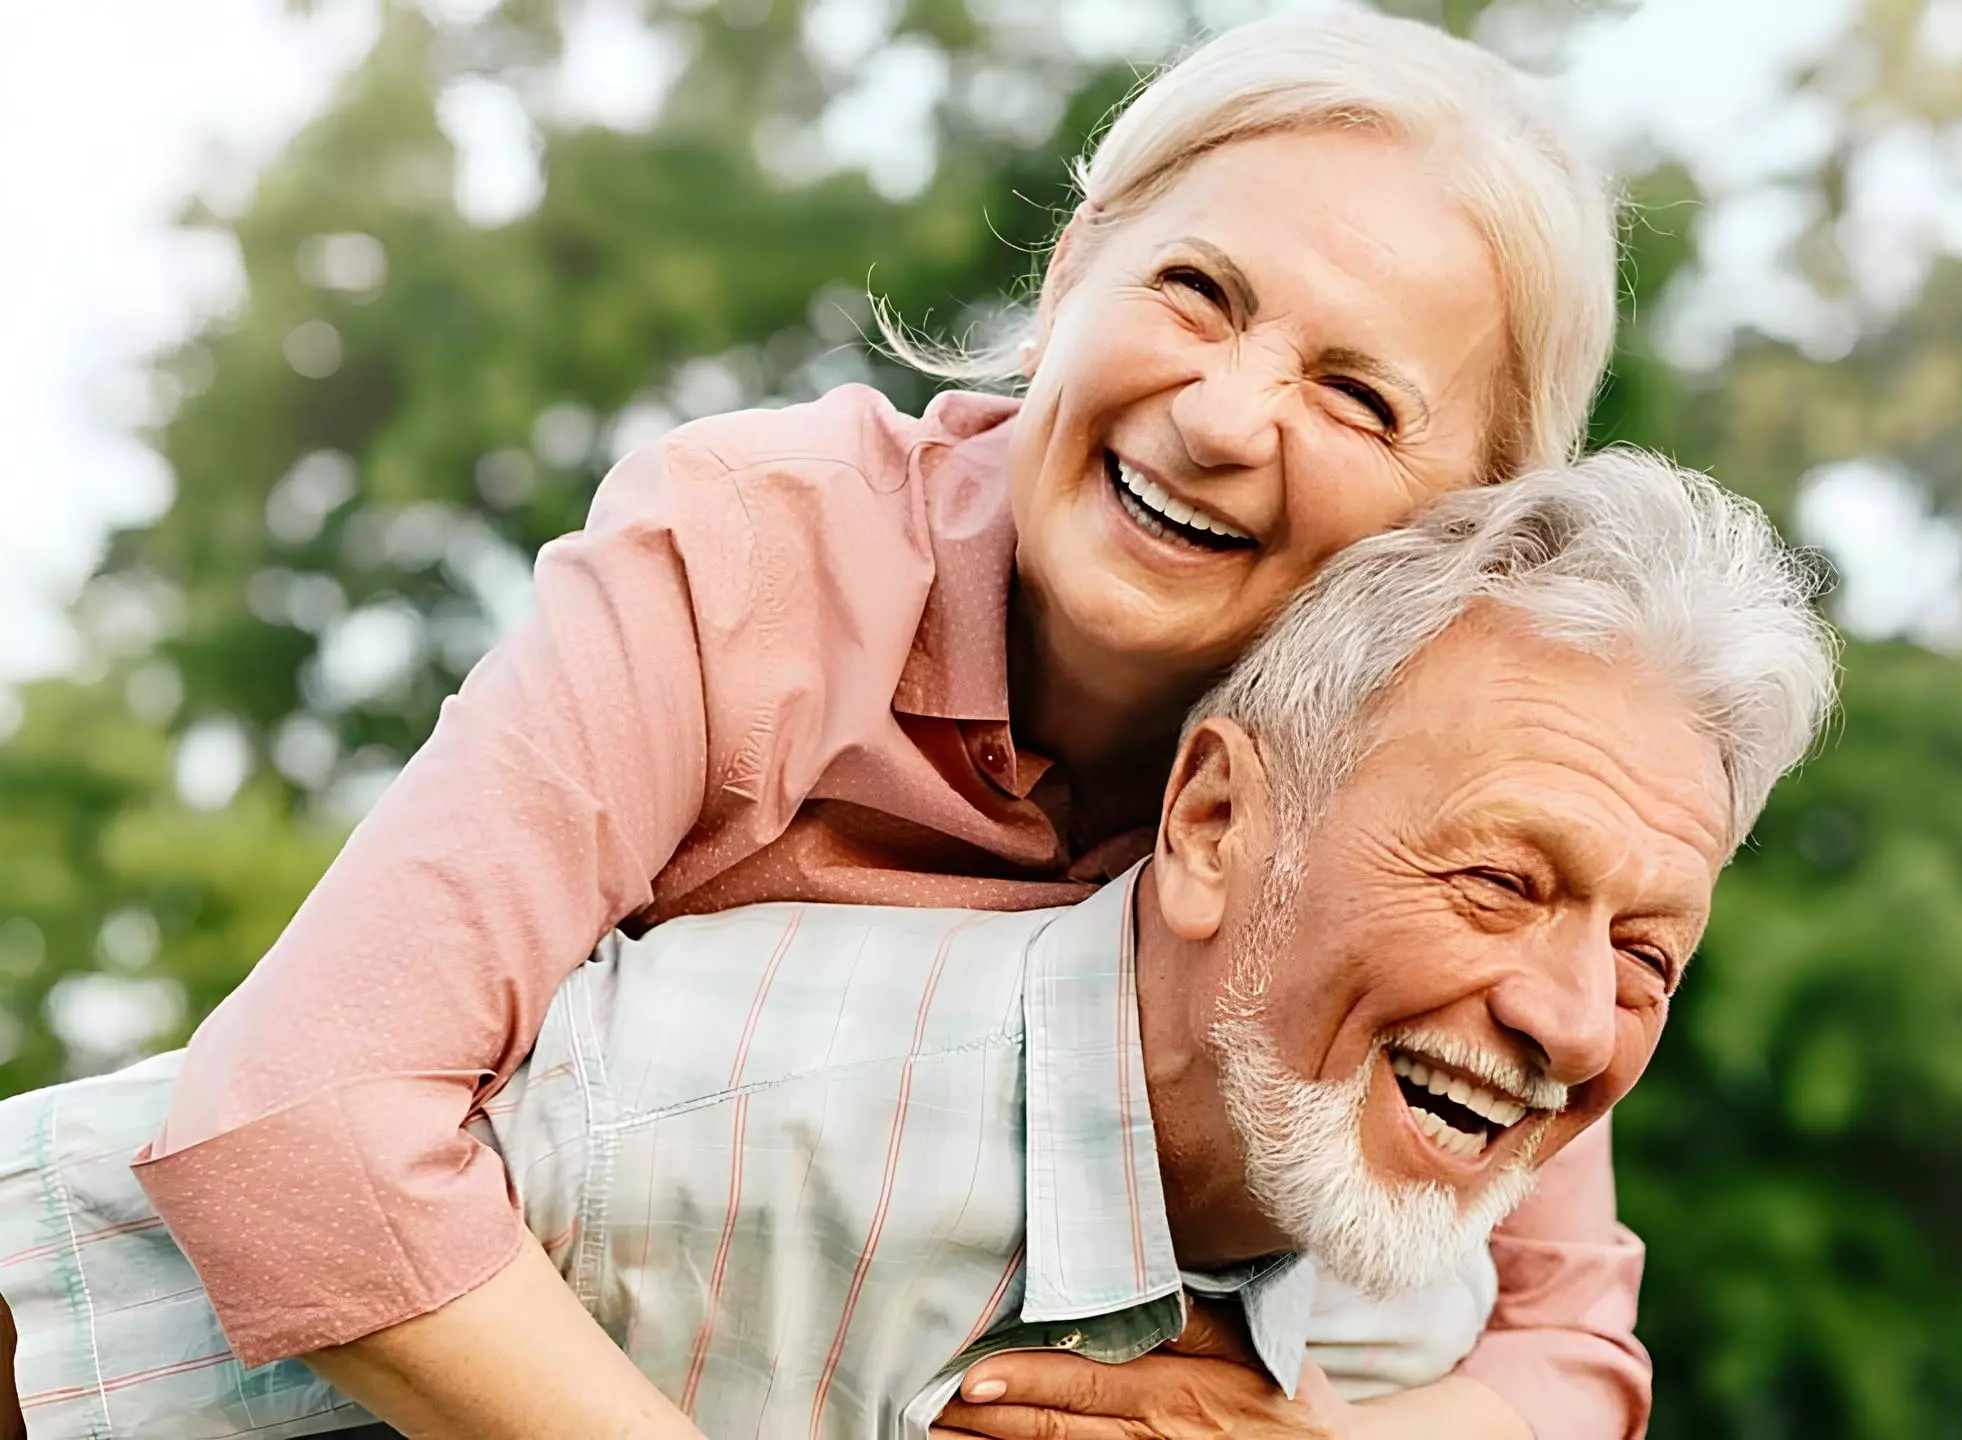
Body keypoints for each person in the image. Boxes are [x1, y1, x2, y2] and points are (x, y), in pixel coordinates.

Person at [123, 9, 1653, 1439]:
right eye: (1196, 293)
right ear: (1069, 277)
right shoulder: (748, 557)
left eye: (1355, 395)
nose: (1221, 417)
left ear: (1470, 521)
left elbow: (1568, 1339)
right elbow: (303, 1118)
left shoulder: (1426, 797)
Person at [1, 455, 1836, 1440]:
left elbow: (1585, 1352)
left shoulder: (1425, 1277)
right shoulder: (685, 1105)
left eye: (1650, 956)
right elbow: (82, 1250)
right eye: (1499, 884)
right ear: (1208, 823)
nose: (1565, 1013)